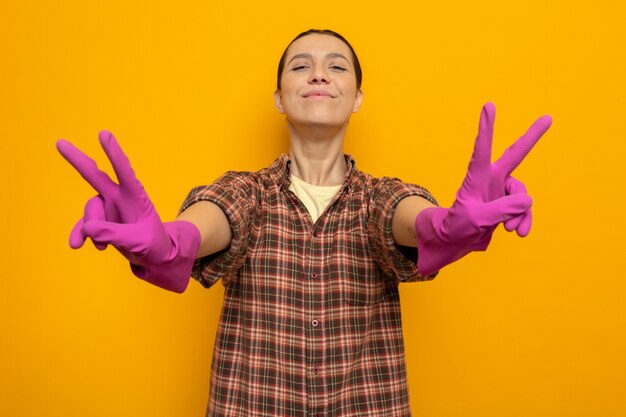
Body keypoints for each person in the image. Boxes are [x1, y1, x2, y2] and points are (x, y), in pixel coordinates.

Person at [57, 29, 552, 417]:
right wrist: (170, 242)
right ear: (279, 97)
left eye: (336, 67)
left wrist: (442, 227)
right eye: (301, 66)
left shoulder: (378, 196)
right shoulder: (248, 191)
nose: (319, 75)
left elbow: (404, 217)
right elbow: (213, 218)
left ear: (357, 97)